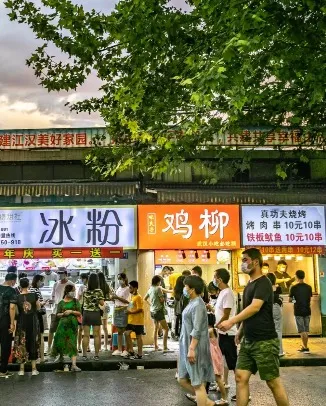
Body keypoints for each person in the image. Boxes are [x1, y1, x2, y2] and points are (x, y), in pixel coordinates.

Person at [219, 248, 289, 406]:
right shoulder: (249, 284)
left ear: (255, 262)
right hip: (249, 341)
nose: (242, 264)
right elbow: (248, 311)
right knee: (240, 376)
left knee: (272, 382)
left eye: (245, 260)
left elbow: (255, 307)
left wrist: (231, 322)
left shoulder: (264, 282)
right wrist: (240, 331)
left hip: (264, 341)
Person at [178, 275, 217, 406]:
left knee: (198, 384)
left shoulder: (198, 305)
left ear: (192, 289)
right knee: (182, 379)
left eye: (186, 286)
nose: (184, 288)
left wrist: (191, 349)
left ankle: (205, 401)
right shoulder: (192, 302)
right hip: (187, 345)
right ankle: (208, 402)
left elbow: (197, 329)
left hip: (195, 347)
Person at [213, 268, 238, 401]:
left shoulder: (228, 293)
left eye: (215, 277)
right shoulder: (223, 292)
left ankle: (243, 391)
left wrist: (216, 326)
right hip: (222, 332)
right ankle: (224, 383)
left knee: (233, 363)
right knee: (223, 361)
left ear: (220, 279)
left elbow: (227, 314)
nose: (214, 280)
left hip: (228, 333)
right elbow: (222, 312)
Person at [13, 277, 41, 376]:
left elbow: (16, 311)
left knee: (21, 342)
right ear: (28, 285)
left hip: (22, 322)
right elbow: (38, 307)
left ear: (20, 286)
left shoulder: (17, 297)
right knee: (33, 341)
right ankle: (34, 369)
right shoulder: (34, 295)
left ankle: (21, 369)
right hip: (33, 321)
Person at [52, 284, 82, 371]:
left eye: (74, 291)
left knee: (72, 343)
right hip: (62, 325)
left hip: (72, 326)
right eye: (72, 291)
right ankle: (60, 357)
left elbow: (79, 313)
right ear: (67, 291)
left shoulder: (76, 301)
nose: (74, 292)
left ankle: (73, 364)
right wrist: (63, 314)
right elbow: (57, 314)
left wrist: (71, 311)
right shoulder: (61, 302)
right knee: (60, 340)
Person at [48, 268, 74, 353]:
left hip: (67, 309)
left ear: (66, 274)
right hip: (55, 309)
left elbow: (73, 297)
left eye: (61, 273)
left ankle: (65, 348)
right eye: (58, 273)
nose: (60, 275)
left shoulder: (71, 284)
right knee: (52, 329)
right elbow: (52, 296)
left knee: (66, 329)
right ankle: (49, 348)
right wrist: (52, 301)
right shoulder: (56, 284)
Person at [82, 273, 105, 361]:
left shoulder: (85, 290)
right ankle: (96, 355)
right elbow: (102, 303)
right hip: (95, 313)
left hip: (86, 313)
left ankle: (84, 355)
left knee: (86, 335)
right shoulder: (99, 291)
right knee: (96, 335)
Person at [289, 270, 313, 354]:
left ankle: (305, 347)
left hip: (298, 311)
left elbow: (290, 300)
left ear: (296, 276)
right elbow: (310, 297)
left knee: (302, 330)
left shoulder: (294, 287)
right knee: (306, 330)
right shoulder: (309, 287)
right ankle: (304, 346)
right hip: (307, 310)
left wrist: (295, 302)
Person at [144, 275, 169, 351]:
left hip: (152, 311)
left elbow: (145, 299)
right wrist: (163, 298)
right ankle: (165, 347)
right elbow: (161, 300)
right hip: (159, 311)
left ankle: (156, 346)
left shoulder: (150, 288)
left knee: (156, 328)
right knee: (166, 329)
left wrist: (151, 304)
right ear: (158, 281)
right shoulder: (158, 288)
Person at [0, 273, 17, 378]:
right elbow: (12, 308)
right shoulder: (11, 291)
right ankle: (3, 370)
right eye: (15, 281)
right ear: (12, 281)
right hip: (5, 320)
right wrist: (12, 323)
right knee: (5, 344)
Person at [124, 281, 144, 359]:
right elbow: (131, 306)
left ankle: (139, 354)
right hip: (131, 320)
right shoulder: (132, 296)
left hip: (138, 321)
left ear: (135, 288)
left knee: (138, 336)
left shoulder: (138, 297)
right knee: (126, 333)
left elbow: (140, 309)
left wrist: (130, 312)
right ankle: (131, 351)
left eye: (130, 287)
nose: (129, 289)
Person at [111, 273, 130, 356]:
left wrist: (117, 298)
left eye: (120, 278)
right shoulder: (118, 288)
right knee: (119, 331)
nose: (119, 280)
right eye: (118, 278)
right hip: (117, 310)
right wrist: (113, 298)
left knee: (125, 330)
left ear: (124, 279)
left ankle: (126, 349)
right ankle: (119, 349)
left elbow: (128, 302)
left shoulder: (128, 289)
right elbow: (116, 300)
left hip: (124, 310)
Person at [266, 273, 284, 357]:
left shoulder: (265, 288)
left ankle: (269, 351)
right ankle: (279, 351)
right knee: (278, 330)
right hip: (276, 308)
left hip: (267, 309)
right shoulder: (278, 288)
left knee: (268, 330)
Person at [30, 275, 47, 363]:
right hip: (38, 315)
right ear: (37, 281)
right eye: (41, 281)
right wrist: (44, 302)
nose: (42, 283)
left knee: (34, 337)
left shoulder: (32, 289)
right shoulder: (35, 290)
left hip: (33, 315)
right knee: (40, 336)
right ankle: (41, 358)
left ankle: (36, 358)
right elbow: (38, 304)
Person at [174, 272, 190, 339]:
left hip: (178, 311)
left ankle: (177, 334)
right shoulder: (185, 293)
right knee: (183, 325)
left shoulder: (176, 291)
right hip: (183, 311)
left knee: (178, 322)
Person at [98, 272, 111, 351]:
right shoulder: (106, 285)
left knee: (98, 328)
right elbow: (109, 296)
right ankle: (105, 346)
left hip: (98, 305)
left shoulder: (96, 286)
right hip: (105, 305)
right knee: (105, 327)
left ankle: (99, 347)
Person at [77, 272, 89, 352]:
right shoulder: (82, 287)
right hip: (84, 308)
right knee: (82, 329)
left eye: (81, 278)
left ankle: (84, 346)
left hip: (85, 308)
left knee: (84, 329)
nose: (81, 280)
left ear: (85, 278)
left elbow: (79, 297)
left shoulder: (85, 286)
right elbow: (78, 297)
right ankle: (80, 346)